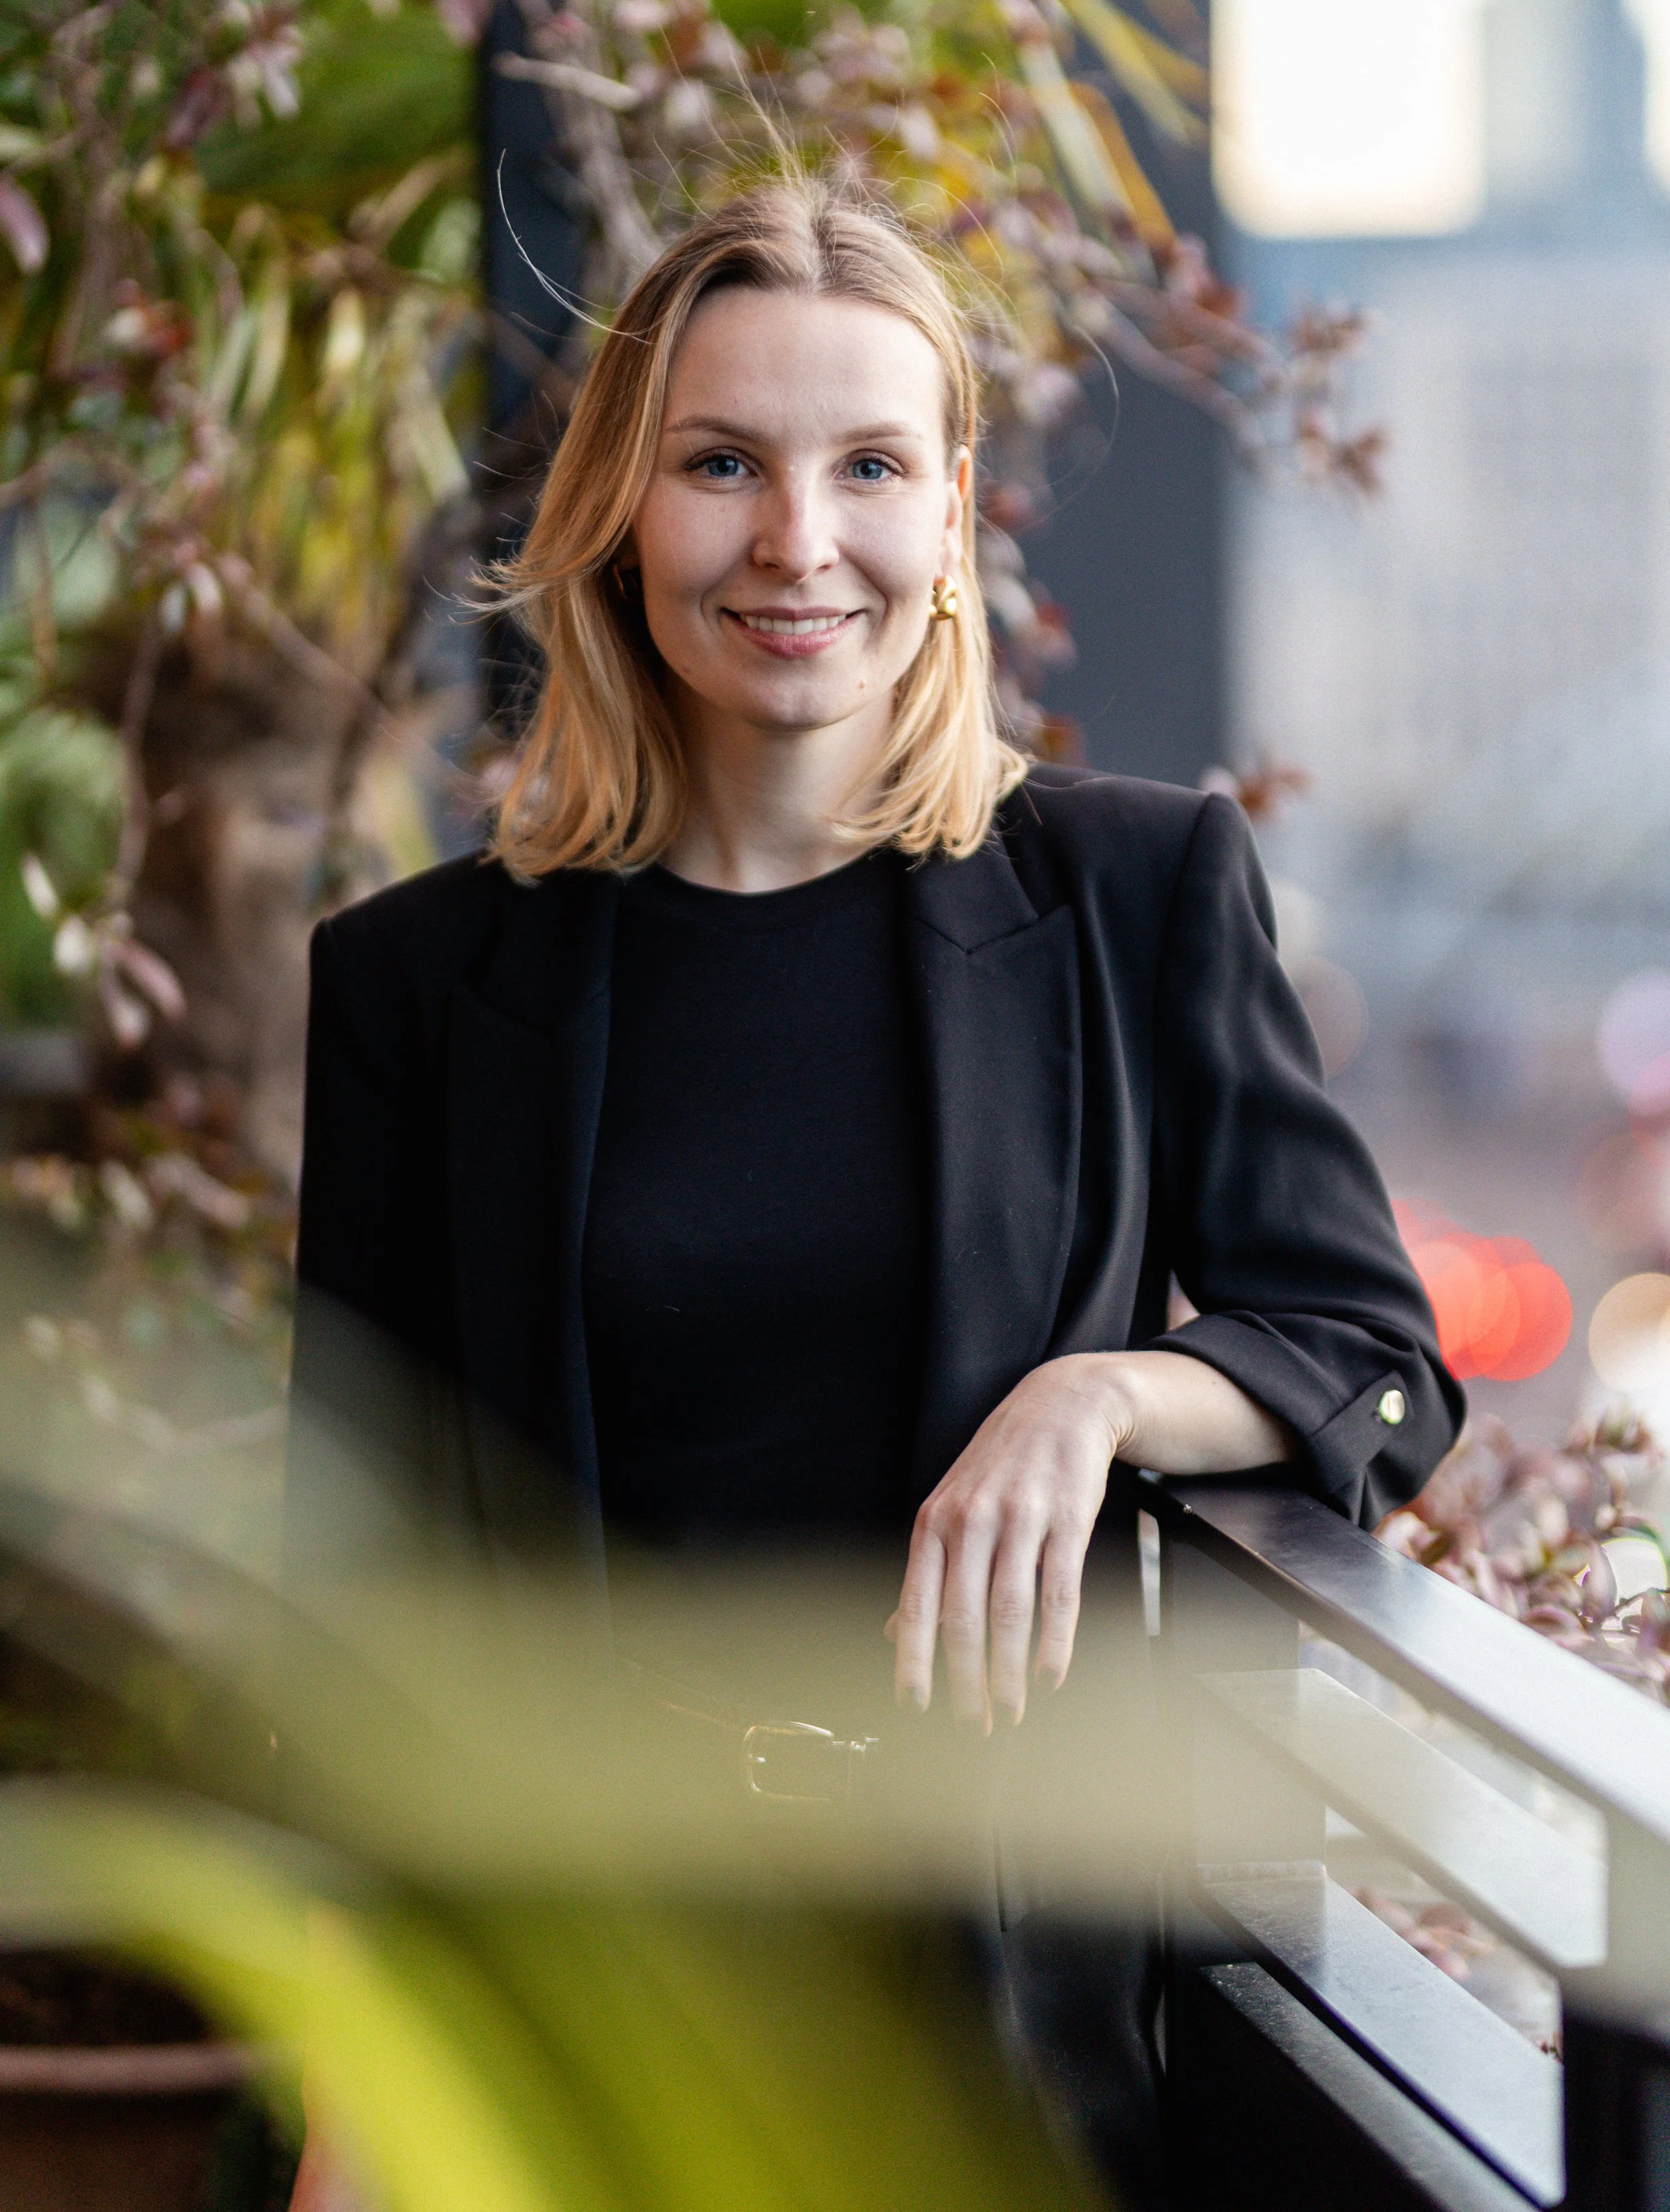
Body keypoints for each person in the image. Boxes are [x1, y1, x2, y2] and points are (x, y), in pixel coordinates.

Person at [287, 177, 1462, 2204]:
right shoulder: (416, 981)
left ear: (948, 516)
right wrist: (349, 2106)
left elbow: (1373, 1359)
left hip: (987, 2016)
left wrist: (1093, 1393)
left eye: (868, 465)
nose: (795, 539)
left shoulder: (1129, 892)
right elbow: (362, 1580)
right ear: (613, 511)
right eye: (721, 462)